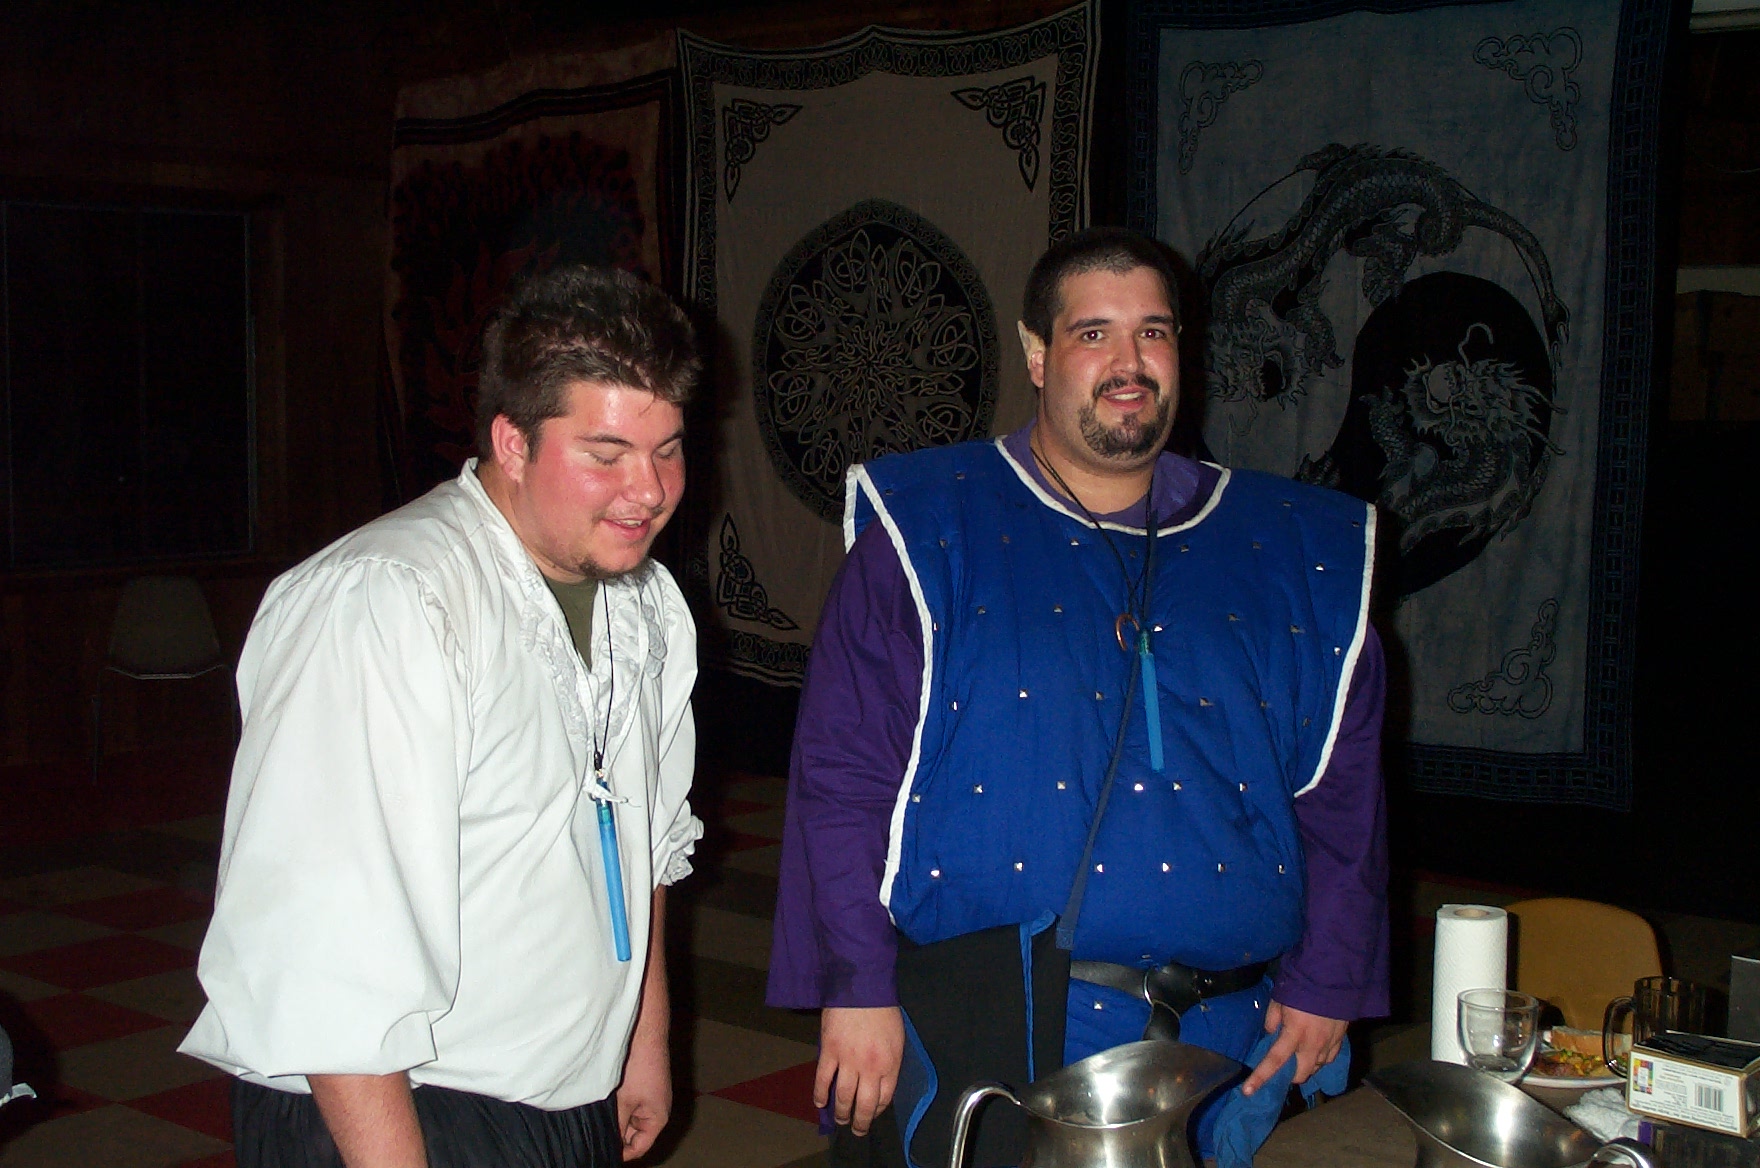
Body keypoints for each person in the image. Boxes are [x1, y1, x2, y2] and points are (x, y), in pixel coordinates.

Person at [767, 228, 1388, 1168]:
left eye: (1154, 332)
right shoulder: (926, 532)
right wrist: (856, 988)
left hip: (1237, 1041)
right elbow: (842, 778)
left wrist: (1329, 979)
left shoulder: (1297, 549)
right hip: (998, 1026)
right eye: (1094, 334)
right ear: (1036, 353)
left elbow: (1340, 793)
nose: (1129, 363)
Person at [181, 265, 704, 1168]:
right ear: (512, 442)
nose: (650, 490)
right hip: (396, 1108)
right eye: (606, 454)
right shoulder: (388, 601)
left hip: (557, 1094)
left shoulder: (645, 604)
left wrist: (639, 1044)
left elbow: (644, 842)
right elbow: (327, 943)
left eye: (667, 450)